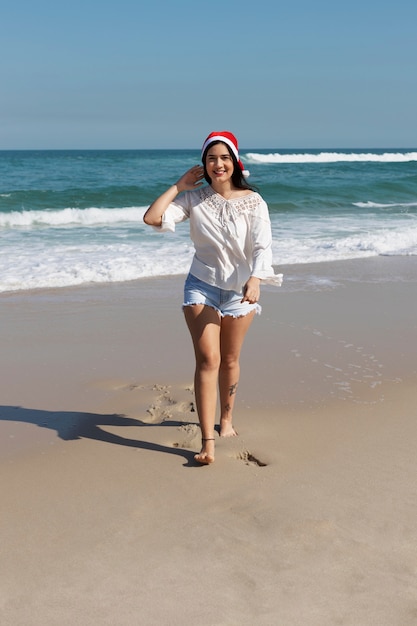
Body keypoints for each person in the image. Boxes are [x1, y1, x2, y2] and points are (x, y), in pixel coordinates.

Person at [143, 131, 282, 465]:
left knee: (230, 360)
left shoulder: (253, 202)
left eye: (223, 158)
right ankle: (207, 442)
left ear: (234, 162)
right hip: (201, 286)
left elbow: (264, 245)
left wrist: (256, 278)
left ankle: (227, 419)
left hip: (240, 290)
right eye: (211, 158)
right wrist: (178, 186)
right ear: (204, 164)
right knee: (208, 360)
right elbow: (152, 218)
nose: (218, 164)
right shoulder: (194, 199)